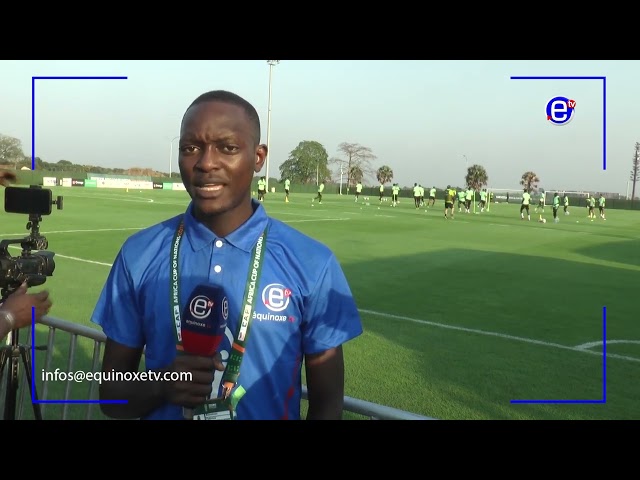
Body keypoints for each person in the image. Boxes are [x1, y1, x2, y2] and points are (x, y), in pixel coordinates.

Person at [90, 90, 363, 420]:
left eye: (227, 148)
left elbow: (327, 403)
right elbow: (111, 396)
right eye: (191, 148)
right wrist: (161, 386)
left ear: (258, 157)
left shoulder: (312, 263)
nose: (206, 162)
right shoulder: (139, 254)